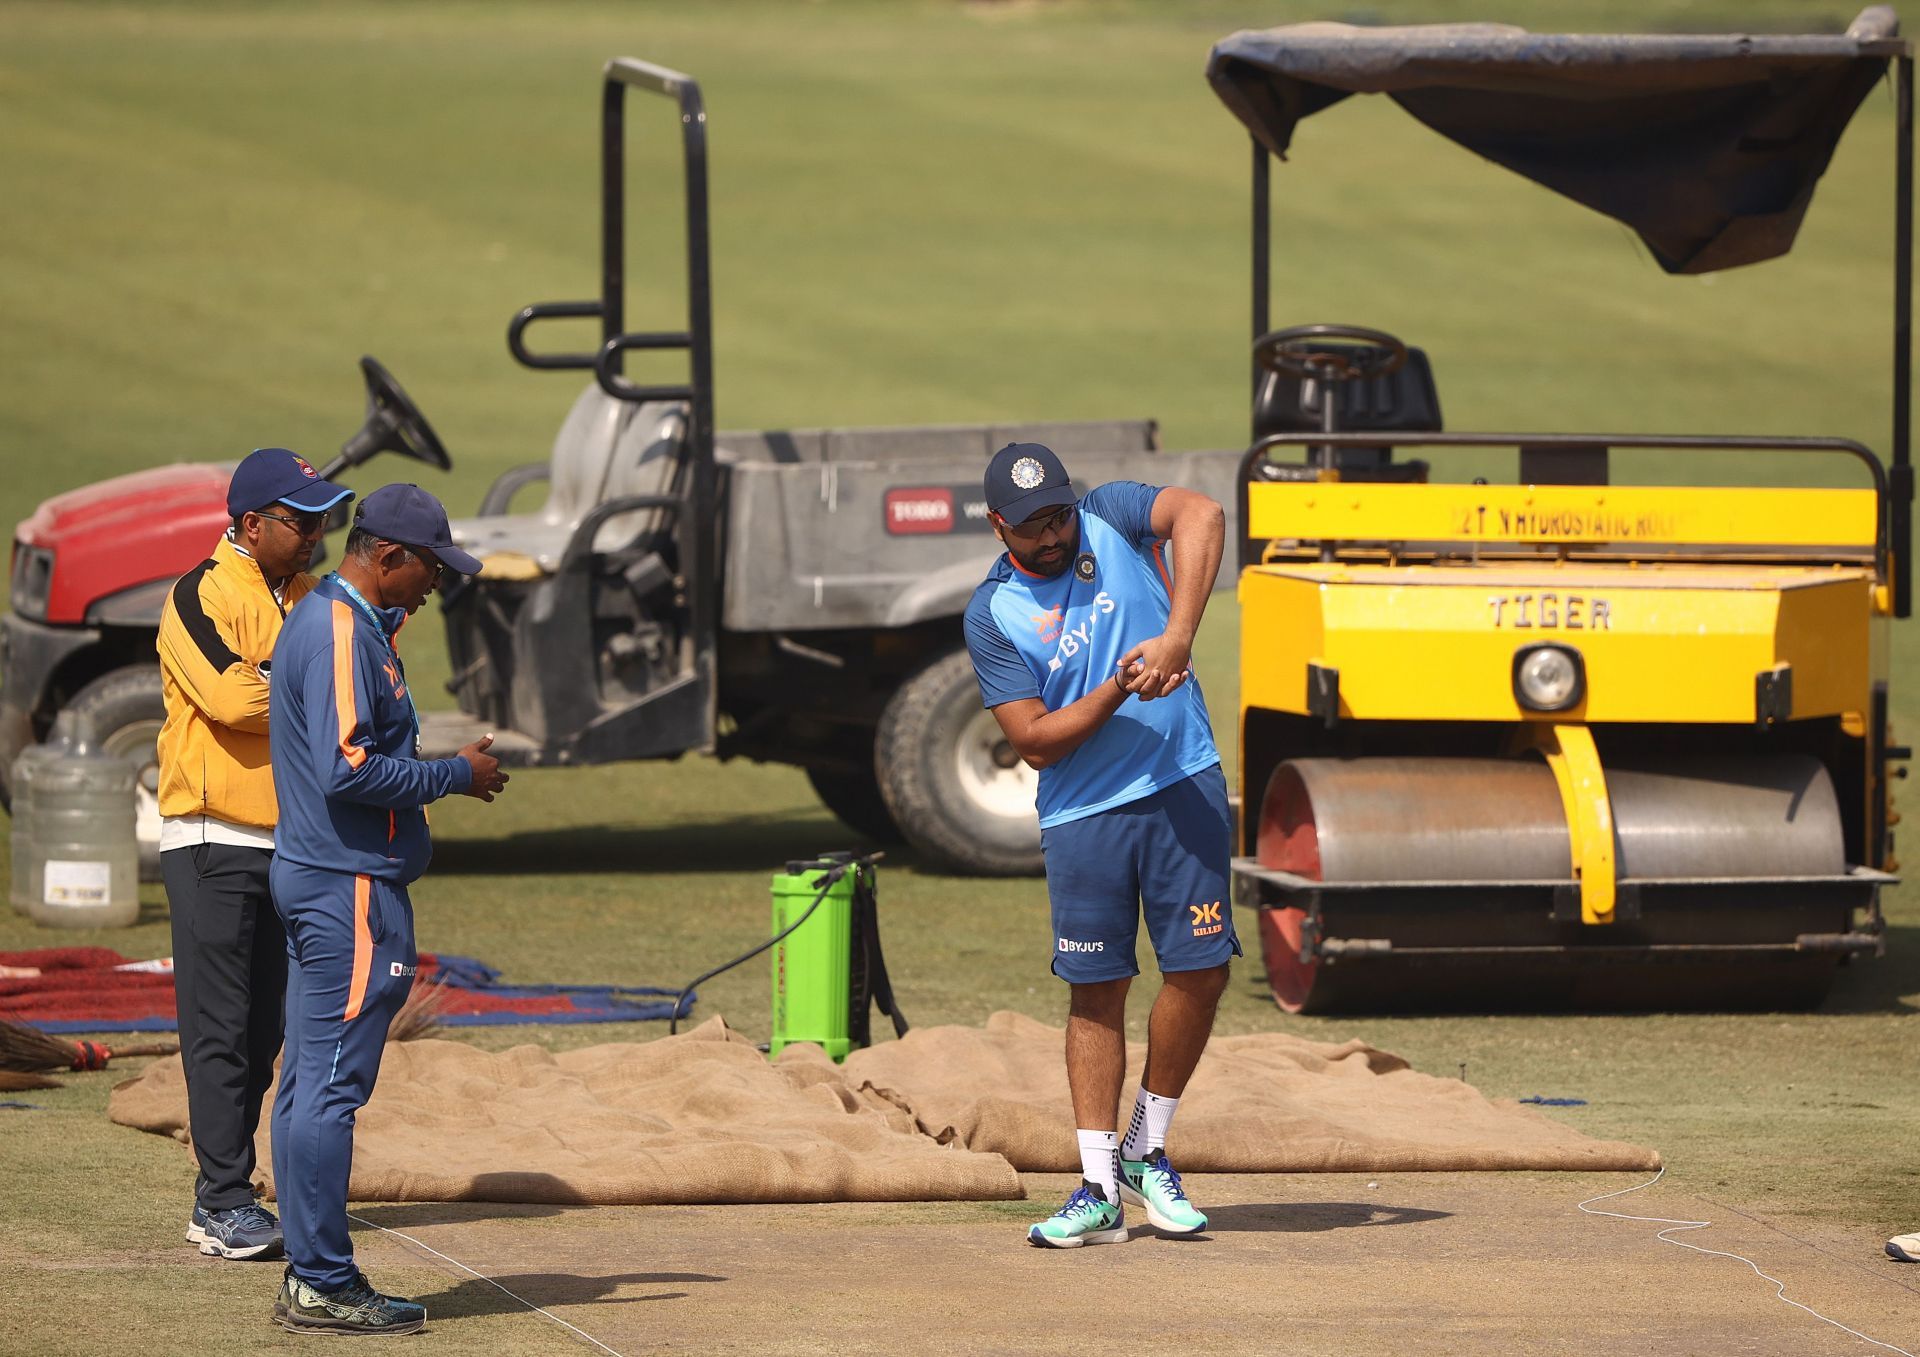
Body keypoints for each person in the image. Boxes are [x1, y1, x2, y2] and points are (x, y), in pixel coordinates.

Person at [962, 441, 1239, 1249]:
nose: (1052, 536)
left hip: (1181, 777)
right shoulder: (992, 612)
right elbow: (1038, 741)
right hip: (1083, 815)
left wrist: (1179, 633)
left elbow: (1204, 514)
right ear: (996, 526)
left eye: (1057, 515)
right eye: (1030, 527)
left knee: (1202, 966)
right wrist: (1118, 683)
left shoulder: (1113, 514)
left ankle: (1147, 1148)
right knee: (1098, 987)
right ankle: (1097, 1188)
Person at [265, 483, 508, 1335]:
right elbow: (347, 769)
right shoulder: (336, 629)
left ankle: (308, 1270)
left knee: (304, 1083)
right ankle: (323, 1278)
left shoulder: (350, 622)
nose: (439, 582)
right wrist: (455, 776)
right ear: (388, 556)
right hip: (348, 888)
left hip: (325, 877)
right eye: (431, 567)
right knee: (329, 1090)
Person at [158, 447, 354, 1261]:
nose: (315, 532)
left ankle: (227, 1194)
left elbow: (352, 686)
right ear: (249, 524)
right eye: (299, 519)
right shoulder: (198, 592)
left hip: (287, 843)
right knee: (218, 1025)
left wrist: (292, 676)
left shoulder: (308, 597)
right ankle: (223, 1197)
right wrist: (307, 683)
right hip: (210, 835)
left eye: (320, 518)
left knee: (264, 1028)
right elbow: (236, 699)